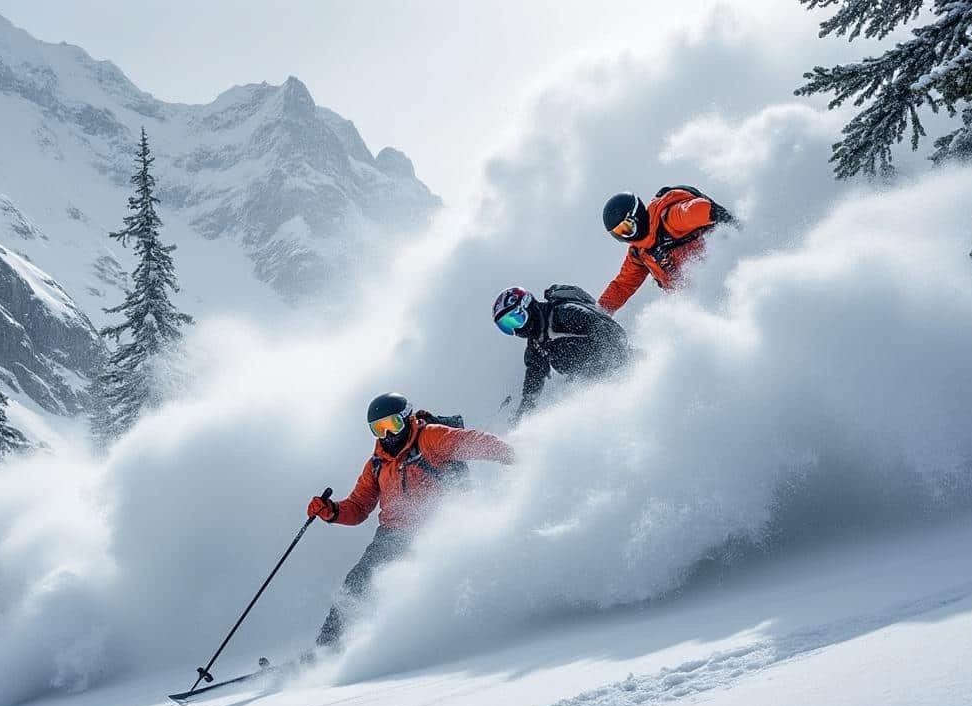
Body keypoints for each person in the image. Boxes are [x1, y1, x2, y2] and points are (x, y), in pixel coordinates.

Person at [306, 393, 514, 647]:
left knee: (435, 580)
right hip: (394, 533)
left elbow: (470, 441)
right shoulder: (376, 464)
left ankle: (460, 627)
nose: (387, 434)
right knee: (358, 582)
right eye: (378, 429)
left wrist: (510, 454)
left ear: (407, 418)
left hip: (440, 527)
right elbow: (359, 507)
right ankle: (327, 647)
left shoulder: (430, 437)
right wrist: (332, 511)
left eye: (392, 425)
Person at [492, 285, 630, 420]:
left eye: (516, 319)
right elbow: (533, 381)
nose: (516, 330)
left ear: (527, 306)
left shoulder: (564, 313)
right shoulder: (536, 344)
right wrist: (523, 414)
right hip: (592, 383)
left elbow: (609, 329)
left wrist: (619, 361)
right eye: (507, 326)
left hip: (620, 368)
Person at [598, 186, 735, 314]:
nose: (626, 236)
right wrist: (601, 311)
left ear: (637, 216)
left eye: (626, 228)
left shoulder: (668, 219)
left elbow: (691, 211)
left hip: (725, 275)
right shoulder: (639, 253)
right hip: (699, 302)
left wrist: (716, 215)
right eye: (619, 233)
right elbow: (623, 286)